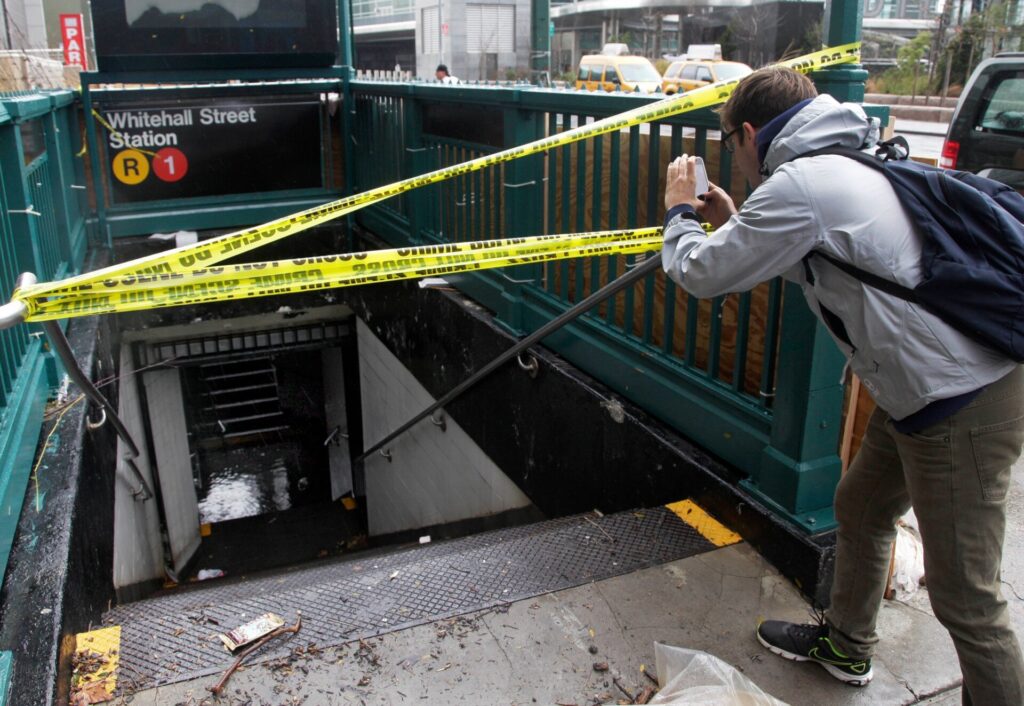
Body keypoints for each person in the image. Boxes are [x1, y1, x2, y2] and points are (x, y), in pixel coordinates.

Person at [661, 66, 1024, 705]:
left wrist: (677, 214)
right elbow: (825, 248)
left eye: (731, 144)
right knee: (861, 506)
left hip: (961, 396)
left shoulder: (803, 183)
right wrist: (737, 217)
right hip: (924, 384)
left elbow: (699, 272)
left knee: (967, 598)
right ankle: (847, 646)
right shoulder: (845, 156)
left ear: (748, 134)